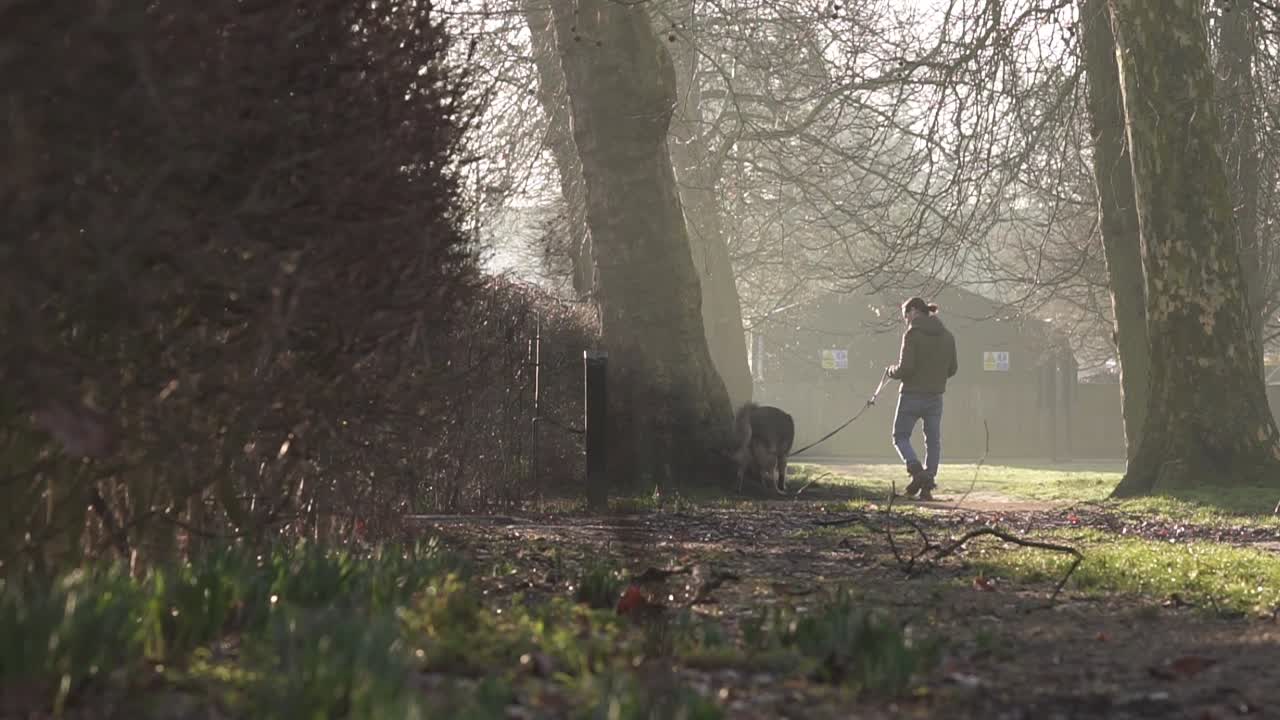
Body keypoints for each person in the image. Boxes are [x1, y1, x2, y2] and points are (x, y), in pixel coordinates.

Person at [886, 296, 958, 500]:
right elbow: (952, 368)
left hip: (911, 395)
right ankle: (927, 485)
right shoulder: (948, 336)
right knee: (933, 441)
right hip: (935, 396)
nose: (906, 320)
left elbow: (905, 368)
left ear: (914, 311)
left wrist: (891, 371)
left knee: (900, 436)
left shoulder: (912, 334)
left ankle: (917, 471)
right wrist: (935, 378)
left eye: (905, 315)